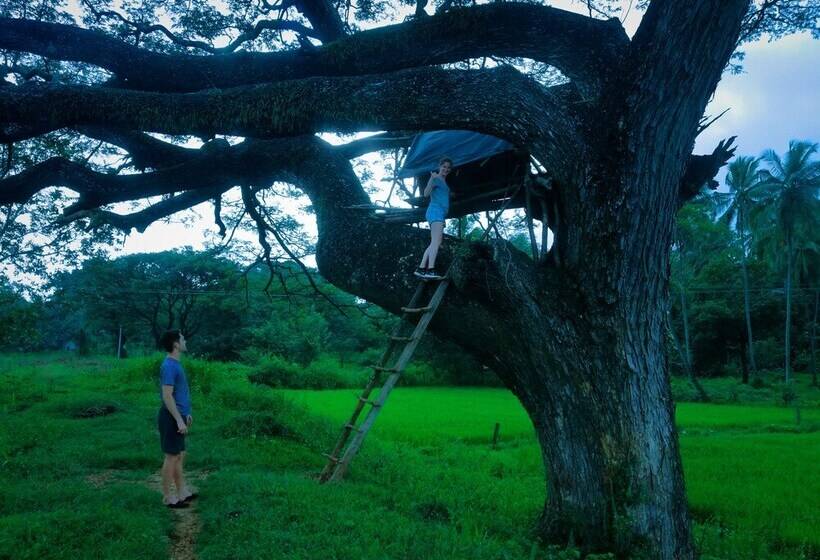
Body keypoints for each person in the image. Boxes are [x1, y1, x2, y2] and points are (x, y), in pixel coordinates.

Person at [157, 329, 197, 508]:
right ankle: (167, 497)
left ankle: (182, 492)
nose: (185, 341)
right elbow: (167, 396)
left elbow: (180, 393)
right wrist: (178, 420)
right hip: (170, 417)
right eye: (182, 338)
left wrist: (186, 413)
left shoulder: (176, 363)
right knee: (171, 457)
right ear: (175, 344)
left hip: (179, 415)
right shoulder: (169, 366)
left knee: (179, 456)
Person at [415, 157, 452, 280]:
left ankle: (420, 269)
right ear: (439, 166)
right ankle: (430, 270)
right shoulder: (436, 179)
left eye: (448, 167)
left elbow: (443, 195)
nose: (446, 169)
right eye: (444, 166)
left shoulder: (444, 181)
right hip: (435, 211)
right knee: (437, 242)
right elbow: (426, 193)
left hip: (438, 213)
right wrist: (432, 178)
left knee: (433, 242)